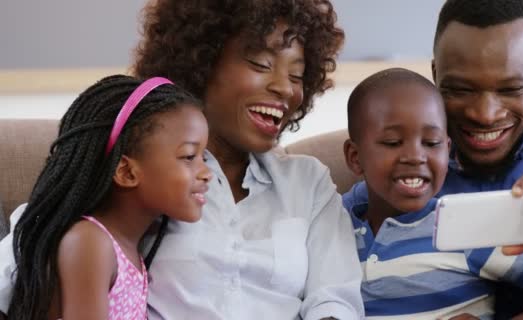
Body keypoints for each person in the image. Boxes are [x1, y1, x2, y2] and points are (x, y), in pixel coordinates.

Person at [0, 1, 363, 319]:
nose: (285, 88)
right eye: (260, 63)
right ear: (201, 62)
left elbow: (334, 300)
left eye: (297, 76)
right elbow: (36, 237)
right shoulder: (151, 172)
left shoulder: (308, 181)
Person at [344, 0, 523, 318]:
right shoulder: (408, 182)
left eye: (512, 88)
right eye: (461, 89)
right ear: (435, 73)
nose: (485, 115)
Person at [5, 75, 212, 320]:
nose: (207, 173)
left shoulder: (126, 249)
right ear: (126, 172)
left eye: (204, 158)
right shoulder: (90, 242)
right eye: (189, 157)